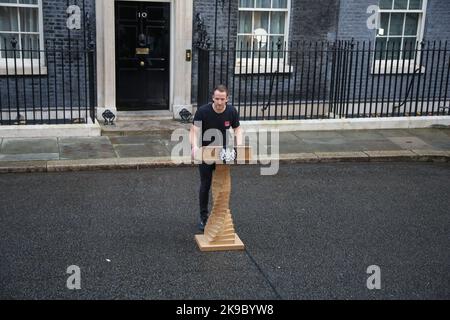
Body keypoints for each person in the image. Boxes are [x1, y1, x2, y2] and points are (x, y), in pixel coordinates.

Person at [190, 85, 243, 232]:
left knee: (223, 185)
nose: (219, 102)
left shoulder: (231, 111)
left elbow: (237, 129)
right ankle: (203, 217)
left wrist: (239, 145)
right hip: (205, 152)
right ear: (213, 98)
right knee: (205, 184)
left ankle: (220, 215)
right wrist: (194, 147)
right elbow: (194, 131)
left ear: (227, 99)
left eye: (222, 99)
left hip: (223, 152)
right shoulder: (203, 111)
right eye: (217, 98)